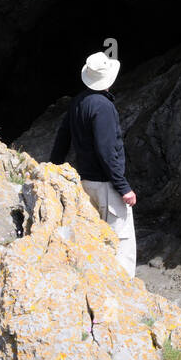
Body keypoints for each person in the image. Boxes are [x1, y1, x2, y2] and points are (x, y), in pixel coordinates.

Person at [49, 51, 137, 278]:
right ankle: (124, 294)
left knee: (96, 242)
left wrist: (54, 167)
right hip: (107, 186)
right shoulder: (103, 107)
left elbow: (63, 136)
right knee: (121, 244)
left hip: (85, 182)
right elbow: (106, 150)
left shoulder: (78, 102)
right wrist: (123, 187)